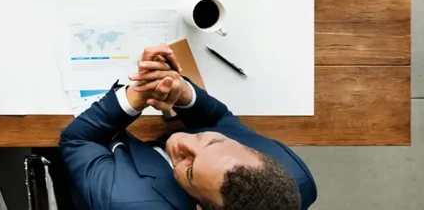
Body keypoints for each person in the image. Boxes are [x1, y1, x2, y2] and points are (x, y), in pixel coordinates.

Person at [59, 44, 317, 210]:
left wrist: (137, 95)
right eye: (214, 142)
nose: (182, 141)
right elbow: (219, 120)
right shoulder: (293, 175)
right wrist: (180, 90)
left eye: (191, 169)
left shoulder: (124, 200)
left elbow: (78, 140)